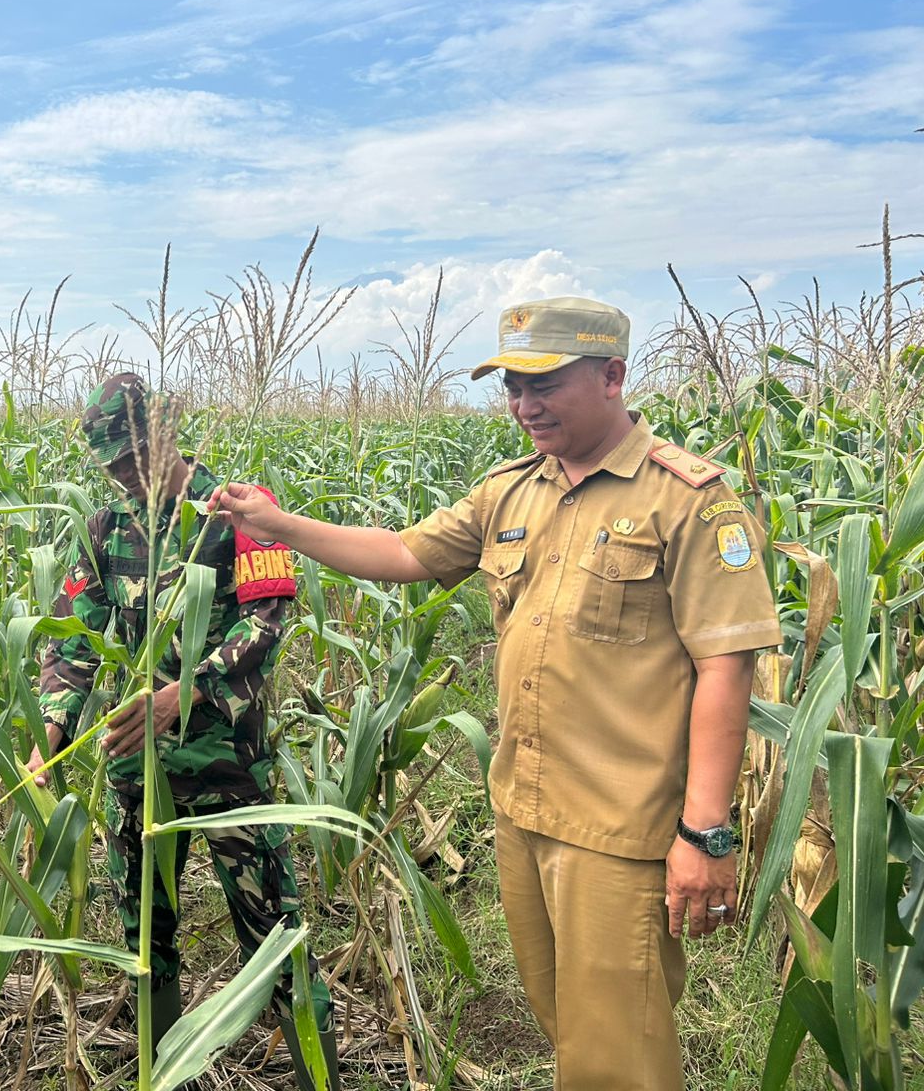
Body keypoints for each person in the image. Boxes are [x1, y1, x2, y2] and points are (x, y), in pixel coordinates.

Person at [213, 297, 782, 1091]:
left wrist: (706, 835)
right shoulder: (510, 492)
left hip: (621, 828)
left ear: (613, 375)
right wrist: (280, 525)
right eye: (513, 386)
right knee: (569, 1030)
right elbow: (404, 553)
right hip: (523, 810)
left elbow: (727, 668)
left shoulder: (685, 500)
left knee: (621, 1053)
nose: (524, 405)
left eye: (544, 384)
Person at [24, 372, 340, 1091]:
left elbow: (265, 623)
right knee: (144, 933)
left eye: (137, 459)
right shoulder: (108, 528)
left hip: (228, 764)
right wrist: (53, 723)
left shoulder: (241, 513)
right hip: (137, 770)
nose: (130, 478)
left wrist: (185, 694)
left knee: (273, 931)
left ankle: (318, 1073)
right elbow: (75, 635)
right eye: (114, 469)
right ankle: (162, 1070)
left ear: (167, 434)